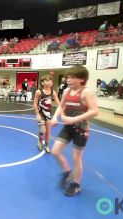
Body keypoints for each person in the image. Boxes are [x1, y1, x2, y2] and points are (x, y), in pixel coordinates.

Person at [50, 65, 99, 196]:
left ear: (81, 79)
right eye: (68, 77)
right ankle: (67, 171)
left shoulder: (86, 92)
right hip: (68, 127)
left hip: (81, 129)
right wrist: (55, 117)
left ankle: (76, 184)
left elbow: (95, 111)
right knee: (55, 151)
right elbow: (61, 106)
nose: (69, 80)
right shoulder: (66, 91)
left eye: (72, 77)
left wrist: (74, 119)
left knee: (76, 158)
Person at [33, 75, 60, 153]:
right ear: (42, 82)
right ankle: (40, 142)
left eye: (51, 81)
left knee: (48, 131)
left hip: (48, 114)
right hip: (41, 114)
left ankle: (47, 145)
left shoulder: (53, 92)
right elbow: (35, 104)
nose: (49, 82)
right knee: (42, 130)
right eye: (47, 81)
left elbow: (59, 103)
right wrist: (37, 114)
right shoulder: (39, 92)